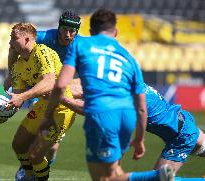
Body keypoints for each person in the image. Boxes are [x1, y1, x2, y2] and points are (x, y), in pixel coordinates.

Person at [39, 8, 174, 181]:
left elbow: (61, 85)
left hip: (103, 115)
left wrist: (49, 113)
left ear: (89, 32)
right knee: (113, 171)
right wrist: (140, 139)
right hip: (127, 117)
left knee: (103, 178)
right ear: (116, 32)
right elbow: (141, 107)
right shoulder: (129, 58)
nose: (68, 34)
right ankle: (156, 177)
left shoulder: (81, 45)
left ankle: (154, 177)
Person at [60, 83, 205, 180]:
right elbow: (86, 92)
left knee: (160, 178)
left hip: (180, 136)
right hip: (182, 118)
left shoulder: (126, 96)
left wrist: (63, 100)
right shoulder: (129, 83)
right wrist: (59, 90)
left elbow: (93, 110)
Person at [0, 23, 76, 181]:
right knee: (18, 144)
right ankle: (29, 176)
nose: (10, 43)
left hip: (61, 109)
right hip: (43, 105)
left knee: (36, 155)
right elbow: (17, 97)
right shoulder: (17, 67)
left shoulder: (42, 52)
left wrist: (22, 97)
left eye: (14, 38)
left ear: (27, 39)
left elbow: (49, 83)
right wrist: (4, 113)